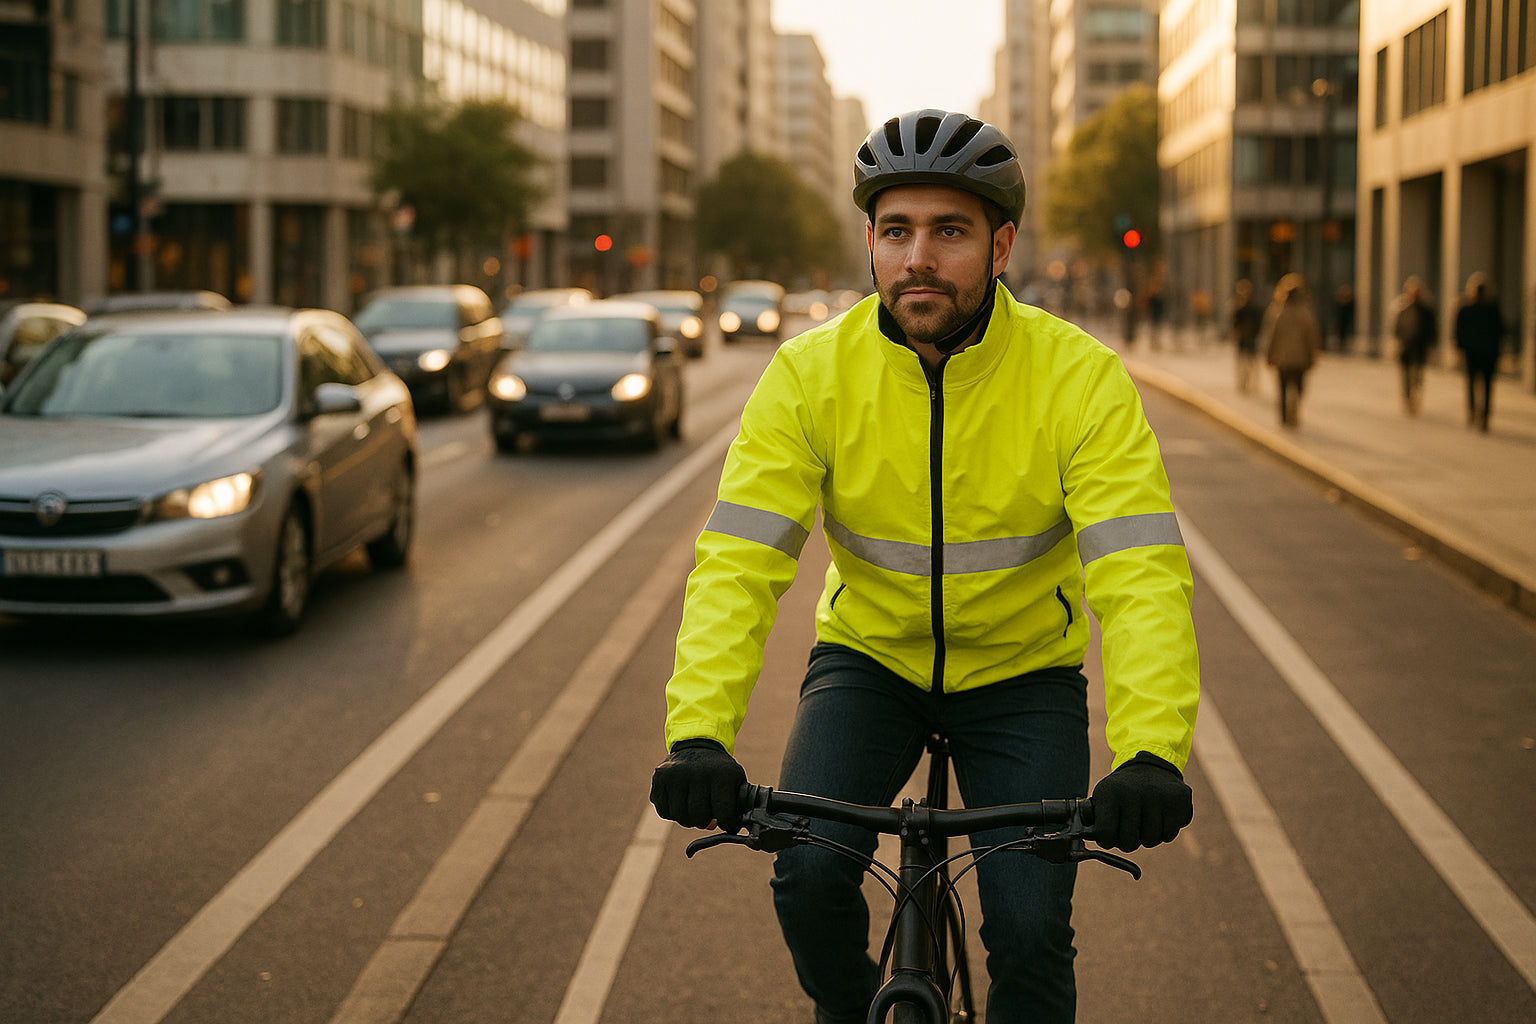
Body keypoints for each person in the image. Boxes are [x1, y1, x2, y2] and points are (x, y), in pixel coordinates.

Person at [649, 109, 1199, 1024]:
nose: (918, 259)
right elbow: (739, 562)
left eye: (949, 232)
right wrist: (698, 735)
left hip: (1023, 675)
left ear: (1002, 244)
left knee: (1028, 933)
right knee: (809, 875)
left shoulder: (1081, 379)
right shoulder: (807, 375)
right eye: (897, 231)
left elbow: (1141, 576)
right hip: (869, 662)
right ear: (869, 240)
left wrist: (1150, 753)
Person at [1262, 273, 1321, 428]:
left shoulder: (1278, 312)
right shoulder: (1306, 313)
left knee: (1282, 388)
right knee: (1299, 386)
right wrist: (1312, 356)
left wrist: (1269, 354)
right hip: (1301, 358)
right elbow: (1312, 337)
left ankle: (1284, 418)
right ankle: (1295, 406)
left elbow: (1272, 336)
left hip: (1283, 358)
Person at [1454, 272, 1503, 432]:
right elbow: (1501, 331)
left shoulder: (1466, 309)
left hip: (1472, 354)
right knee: (1487, 386)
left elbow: (1459, 332)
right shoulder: (1492, 309)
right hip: (1488, 354)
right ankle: (1485, 417)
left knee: (1471, 384)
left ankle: (1473, 413)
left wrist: (1460, 349)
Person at [1392, 276, 1436, 414]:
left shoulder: (1427, 311)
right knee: (1405, 375)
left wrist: (1431, 346)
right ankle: (1407, 398)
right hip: (1406, 347)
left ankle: (1415, 395)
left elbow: (1432, 330)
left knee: (1418, 375)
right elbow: (1396, 329)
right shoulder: (1402, 309)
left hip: (1420, 348)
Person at [1230, 278, 1263, 393]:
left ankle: (1251, 384)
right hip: (1243, 340)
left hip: (1251, 339)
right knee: (1243, 363)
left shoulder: (1254, 308)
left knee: (1252, 363)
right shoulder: (1240, 308)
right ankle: (1243, 383)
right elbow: (1234, 323)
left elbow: (1259, 324)